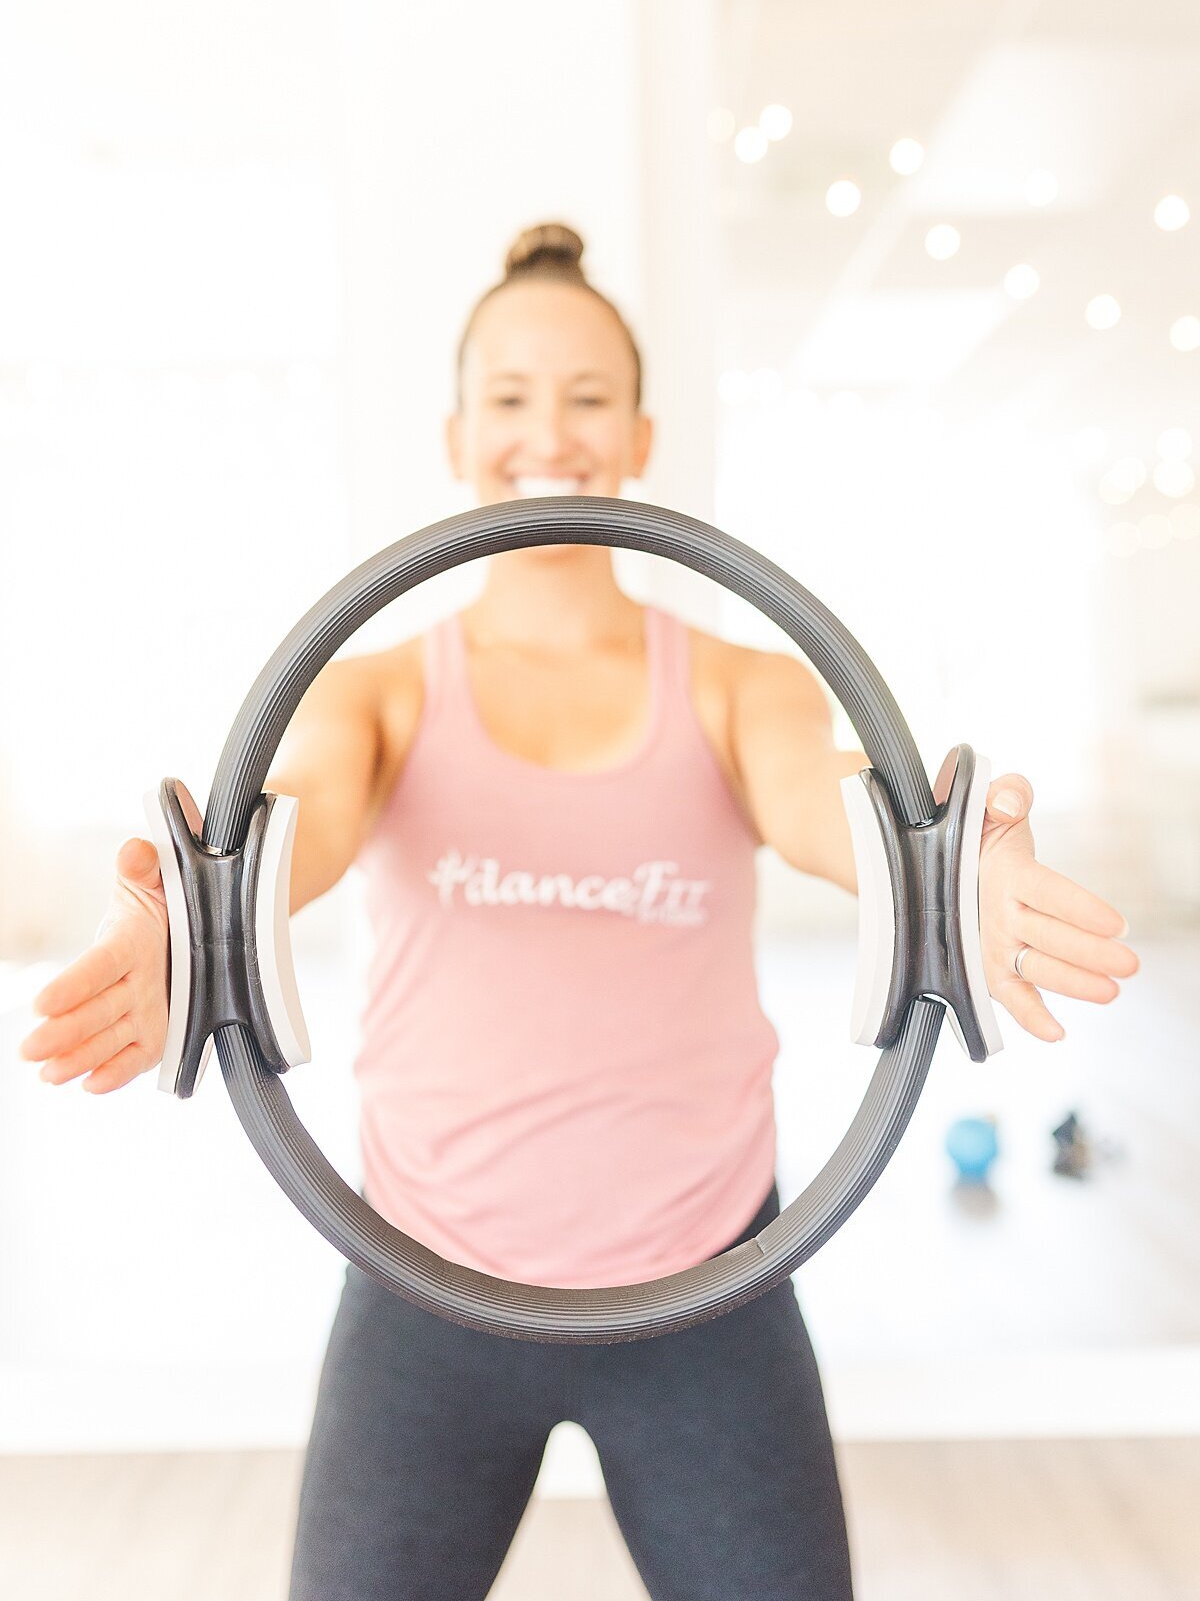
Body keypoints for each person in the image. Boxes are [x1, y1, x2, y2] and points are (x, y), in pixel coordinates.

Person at [19, 222, 1140, 1600]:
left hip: (709, 1292)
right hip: (425, 1291)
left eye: (586, 397)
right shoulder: (375, 692)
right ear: (454, 433)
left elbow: (829, 805)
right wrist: (185, 926)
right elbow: (287, 832)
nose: (546, 429)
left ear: (639, 433)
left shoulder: (738, 686)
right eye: (508, 398)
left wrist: (955, 874)